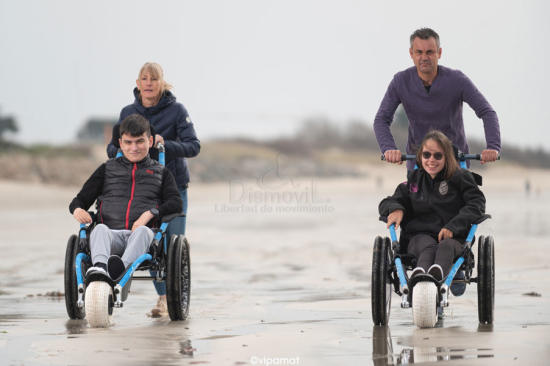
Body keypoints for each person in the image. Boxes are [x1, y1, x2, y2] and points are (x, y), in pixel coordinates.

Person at [107, 62, 200, 315]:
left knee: (171, 244)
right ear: (138, 84)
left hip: (174, 185)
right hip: (141, 188)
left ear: (162, 83)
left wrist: (163, 144)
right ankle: (163, 298)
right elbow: (112, 148)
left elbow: (193, 146)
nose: (148, 83)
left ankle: (173, 297)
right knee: (149, 242)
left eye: (154, 79)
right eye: (144, 79)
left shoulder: (177, 111)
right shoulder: (128, 111)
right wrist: (120, 152)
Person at [70, 114, 182, 282]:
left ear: (150, 142)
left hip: (140, 237)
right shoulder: (107, 169)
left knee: (143, 231)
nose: (134, 148)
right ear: (120, 143)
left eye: (139, 141)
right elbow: (80, 199)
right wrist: (77, 209)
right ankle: (100, 268)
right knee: (99, 229)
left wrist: (150, 213)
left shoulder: (161, 172)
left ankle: (119, 270)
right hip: (110, 237)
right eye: (128, 142)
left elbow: (176, 203)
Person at [374, 28, 501, 170]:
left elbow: (487, 112)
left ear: (439, 53)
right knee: (406, 192)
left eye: (430, 52)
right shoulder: (400, 81)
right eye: (419, 52)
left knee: (468, 192)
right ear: (411, 54)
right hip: (419, 163)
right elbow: (381, 119)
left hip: (454, 162)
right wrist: (388, 148)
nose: (424, 57)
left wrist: (493, 147)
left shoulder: (457, 80)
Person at [378, 130, 486, 287]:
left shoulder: (460, 178)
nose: (431, 160)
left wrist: (453, 227)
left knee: (445, 246)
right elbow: (387, 202)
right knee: (425, 245)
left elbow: (477, 203)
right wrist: (396, 209)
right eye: (426, 155)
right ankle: (421, 275)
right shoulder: (413, 181)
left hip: (453, 238)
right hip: (419, 237)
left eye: (438, 156)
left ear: (447, 157)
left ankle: (436, 278)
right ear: (420, 156)